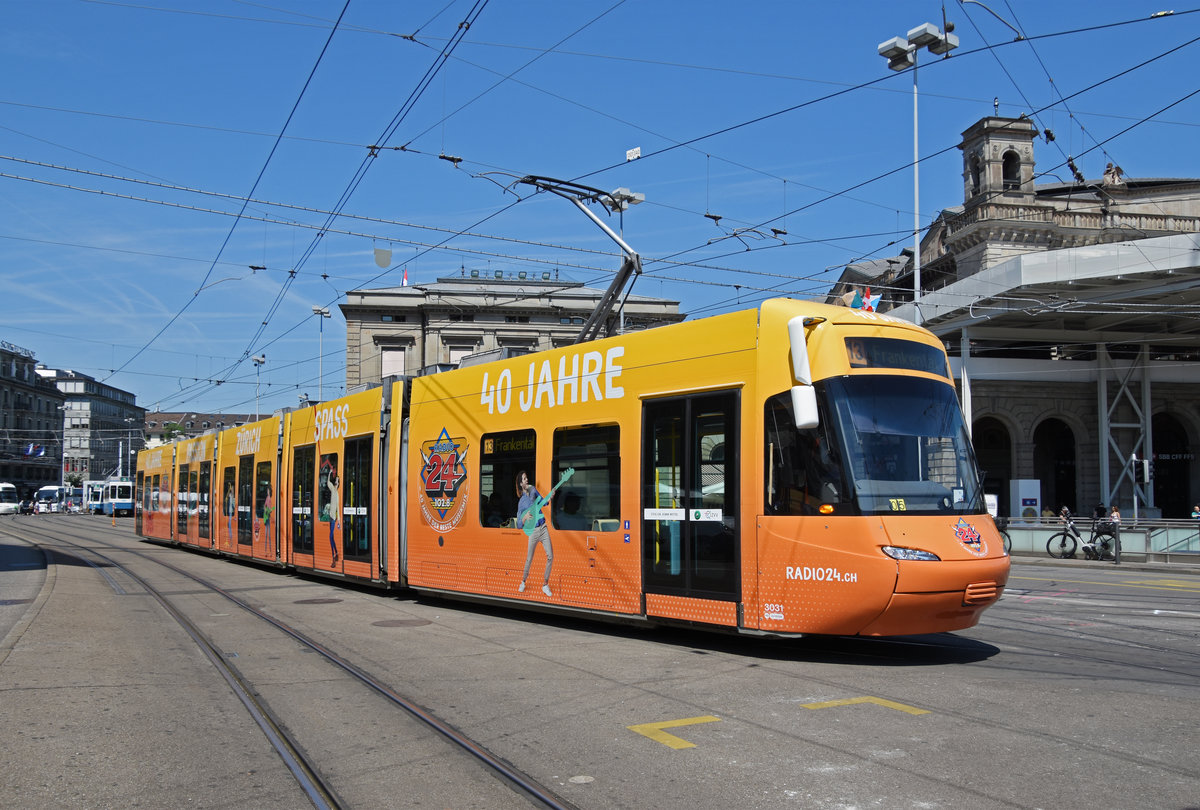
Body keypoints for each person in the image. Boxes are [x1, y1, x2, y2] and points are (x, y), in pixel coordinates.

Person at [516, 470, 554, 597]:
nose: (527, 480)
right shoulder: (521, 502)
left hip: (543, 528)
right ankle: (523, 581)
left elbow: (544, 502)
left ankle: (545, 584)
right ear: (521, 484)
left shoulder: (533, 490)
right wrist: (524, 517)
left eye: (526, 477)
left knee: (550, 556)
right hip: (533, 532)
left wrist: (550, 497)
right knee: (529, 558)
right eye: (524, 479)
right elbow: (519, 525)